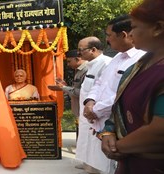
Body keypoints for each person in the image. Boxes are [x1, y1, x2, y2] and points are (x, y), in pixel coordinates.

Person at [101, 0, 164, 173]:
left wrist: (117, 147)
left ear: (157, 28)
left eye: (134, 27)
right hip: (130, 162)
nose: (130, 34)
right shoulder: (139, 65)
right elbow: (119, 105)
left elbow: (159, 132)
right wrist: (108, 132)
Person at [83, 14, 146, 132]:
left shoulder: (141, 59)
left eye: (108, 35)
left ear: (123, 35)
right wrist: (90, 101)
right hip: (99, 126)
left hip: (119, 129)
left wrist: (96, 111)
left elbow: (125, 94)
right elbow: (100, 82)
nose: (106, 40)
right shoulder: (118, 57)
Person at [75, 37, 112, 174]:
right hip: (86, 111)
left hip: (97, 113)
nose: (79, 53)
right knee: (86, 138)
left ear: (93, 50)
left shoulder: (107, 63)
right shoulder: (91, 65)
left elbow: (107, 90)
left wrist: (95, 110)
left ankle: (98, 168)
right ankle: (88, 163)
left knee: (97, 143)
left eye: (81, 50)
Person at [48, 50, 88, 139]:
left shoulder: (87, 70)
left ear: (78, 59)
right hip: (79, 111)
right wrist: (65, 86)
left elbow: (83, 92)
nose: (68, 65)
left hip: (86, 111)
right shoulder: (78, 70)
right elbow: (75, 90)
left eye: (69, 61)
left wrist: (63, 88)